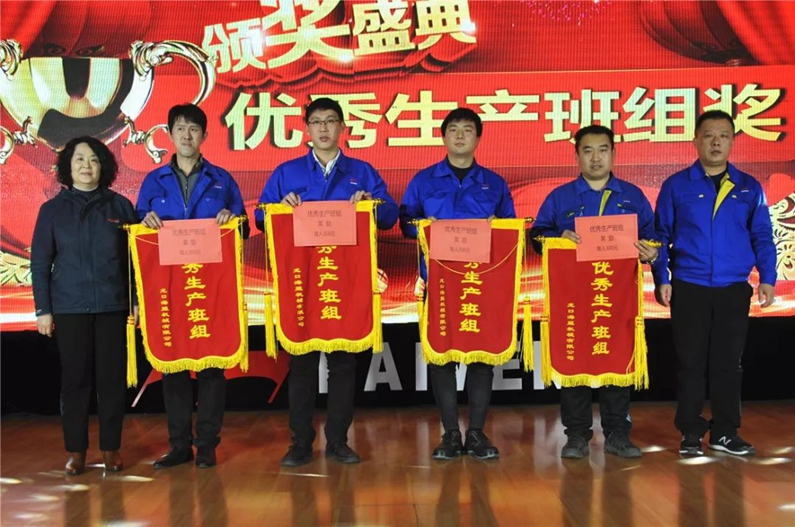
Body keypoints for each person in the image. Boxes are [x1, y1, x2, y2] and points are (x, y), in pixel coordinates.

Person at [256, 97, 399, 467]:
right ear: (306, 128)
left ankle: (338, 441)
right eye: (316, 121)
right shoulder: (287, 173)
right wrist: (280, 206)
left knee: (343, 365)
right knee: (302, 366)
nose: (323, 128)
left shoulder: (361, 171)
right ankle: (300, 443)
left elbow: (389, 216)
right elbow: (261, 217)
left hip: (345, 284)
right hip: (303, 284)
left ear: (342, 127)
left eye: (330, 121)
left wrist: (371, 203)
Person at [529, 124, 658, 459]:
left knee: (618, 358)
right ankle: (576, 435)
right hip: (573, 298)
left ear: (613, 154)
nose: (596, 157)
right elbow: (536, 236)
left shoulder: (632, 196)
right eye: (588, 151)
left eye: (603, 150)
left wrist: (651, 251)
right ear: (577, 156)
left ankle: (617, 433)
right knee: (575, 360)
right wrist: (557, 238)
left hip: (618, 298)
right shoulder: (561, 197)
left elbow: (654, 235)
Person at [653, 110, 776, 457]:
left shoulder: (748, 187)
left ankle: (725, 432)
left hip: (733, 288)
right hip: (689, 286)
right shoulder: (677, 185)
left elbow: (762, 235)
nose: (716, 142)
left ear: (733, 141)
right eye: (708, 135)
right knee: (690, 364)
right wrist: (662, 277)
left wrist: (768, 278)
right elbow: (660, 235)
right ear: (695, 141)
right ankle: (690, 433)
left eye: (723, 135)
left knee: (728, 364)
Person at [136, 103, 249, 469]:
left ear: (204, 136)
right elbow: (138, 228)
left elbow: (244, 228)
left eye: (194, 129)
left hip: (211, 286)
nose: (187, 135)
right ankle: (179, 445)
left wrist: (233, 219)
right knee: (173, 367)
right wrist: (145, 221)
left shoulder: (221, 179)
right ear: (170, 134)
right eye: (180, 129)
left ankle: (208, 444)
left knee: (213, 367)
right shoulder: (153, 181)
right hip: (169, 286)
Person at [399, 107, 515, 461]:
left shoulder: (495, 183)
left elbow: (511, 230)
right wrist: (423, 225)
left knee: (481, 357)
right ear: (443, 136)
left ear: (478, 137)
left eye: (467, 129)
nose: (460, 135)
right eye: (453, 129)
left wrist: (498, 226)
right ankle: (450, 433)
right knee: (442, 357)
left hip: (483, 282)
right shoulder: (424, 180)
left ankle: (476, 433)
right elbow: (405, 223)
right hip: (438, 283)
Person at [31, 136, 137, 475]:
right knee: (75, 382)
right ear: (68, 166)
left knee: (111, 381)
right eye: (79, 159)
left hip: (112, 306)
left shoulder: (120, 207)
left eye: (93, 159)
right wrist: (43, 309)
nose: (86, 166)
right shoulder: (52, 211)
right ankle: (76, 451)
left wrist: (136, 303)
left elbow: (134, 263)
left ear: (103, 165)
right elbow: (40, 264)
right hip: (69, 307)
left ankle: (110, 449)